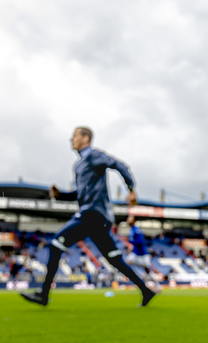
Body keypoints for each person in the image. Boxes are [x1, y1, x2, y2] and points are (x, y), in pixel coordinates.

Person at [20, 127, 156, 307]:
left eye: (75, 136)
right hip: (96, 218)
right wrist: (62, 195)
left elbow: (119, 165)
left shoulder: (94, 156)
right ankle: (146, 291)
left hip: (92, 214)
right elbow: (81, 193)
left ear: (85, 138)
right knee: (114, 259)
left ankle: (44, 295)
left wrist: (131, 189)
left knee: (55, 245)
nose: (71, 139)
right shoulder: (79, 164)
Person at [125, 215, 160, 291]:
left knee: (148, 271)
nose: (128, 220)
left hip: (143, 254)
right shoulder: (131, 230)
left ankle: (157, 286)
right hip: (135, 253)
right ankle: (141, 277)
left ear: (134, 220)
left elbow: (140, 241)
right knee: (126, 262)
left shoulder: (137, 230)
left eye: (130, 219)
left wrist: (130, 242)